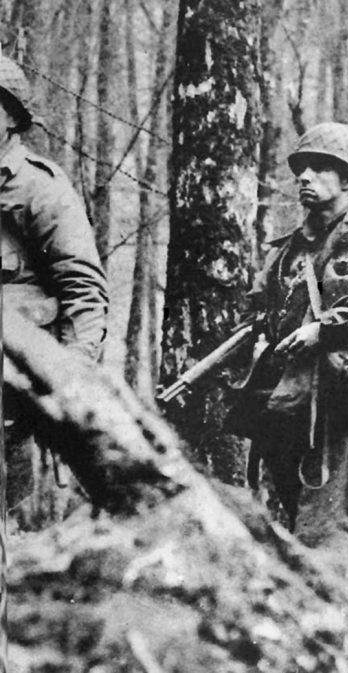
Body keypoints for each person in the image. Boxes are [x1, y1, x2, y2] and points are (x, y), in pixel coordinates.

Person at [227, 122, 348, 555]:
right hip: (286, 404)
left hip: (342, 402)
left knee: (324, 530)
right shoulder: (286, 250)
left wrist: (325, 329)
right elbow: (256, 308)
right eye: (302, 170)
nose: (305, 178)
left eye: (319, 168)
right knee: (292, 527)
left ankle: (329, 622)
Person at [0, 53, 110, 672]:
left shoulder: (37, 187)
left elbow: (84, 293)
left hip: (13, 388)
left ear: (10, 118)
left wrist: (67, 384)